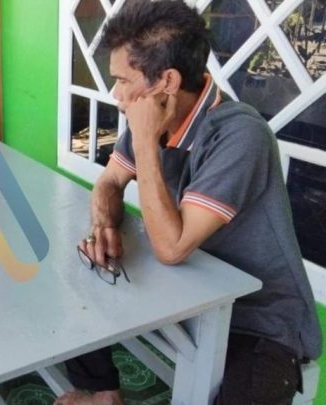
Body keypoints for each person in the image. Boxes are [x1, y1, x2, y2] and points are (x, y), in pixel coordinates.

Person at [55, 1, 322, 404]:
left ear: (167, 81)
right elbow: (108, 183)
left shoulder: (240, 135)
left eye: (123, 80)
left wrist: (145, 142)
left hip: (260, 318)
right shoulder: (152, 116)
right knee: (81, 271)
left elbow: (171, 248)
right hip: (186, 292)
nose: (116, 94)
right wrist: (102, 227)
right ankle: (104, 395)